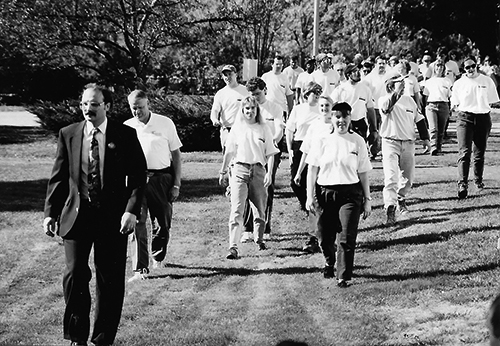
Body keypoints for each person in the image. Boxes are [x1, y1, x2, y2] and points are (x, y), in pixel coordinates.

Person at [43, 84, 147, 346]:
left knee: (109, 280)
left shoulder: (124, 135)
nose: (88, 109)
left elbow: (137, 177)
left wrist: (130, 211)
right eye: (84, 104)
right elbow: (58, 177)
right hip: (77, 217)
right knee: (75, 274)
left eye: (94, 104)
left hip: (113, 218)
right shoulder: (68, 134)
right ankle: (77, 336)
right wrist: (50, 213)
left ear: (107, 106)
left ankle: (102, 338)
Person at [305, 102, 372, 288]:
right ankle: (329, 261)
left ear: (350, 118)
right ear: (332, 118)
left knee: (346, 236)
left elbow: (364, 172)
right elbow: (312, 169)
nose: (341, 121)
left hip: (350, 194)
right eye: (337, 117)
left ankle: (343, 276)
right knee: (324, 235)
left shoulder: (357, 141)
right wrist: (310, 196)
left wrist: (367, 200)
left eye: (345, 116)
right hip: (325, 193)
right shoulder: (322, 140)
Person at [124, 90, 182, 282]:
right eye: (134, 108)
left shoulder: (165, 123)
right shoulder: (127, 127)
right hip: (137, 181)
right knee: (137, 223)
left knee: (162, 223)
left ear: (148, 104)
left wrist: (176, 184)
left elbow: (176, 155)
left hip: (162, 179)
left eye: (140, 107)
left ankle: (158, 256)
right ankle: (140, 268)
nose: (137, 112)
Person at [218, 96, 279, 259]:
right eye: (247, 108)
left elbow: (271, 153)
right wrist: (223, 171)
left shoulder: (264, 128)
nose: (250, 111)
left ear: (257, 110)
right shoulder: (237, 128)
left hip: (258, 171)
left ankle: (259, 240)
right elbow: (229, 151)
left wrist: (269, 174)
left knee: (259, 209)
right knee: (237, 209)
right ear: (243, 110)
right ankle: (233, 246)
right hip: (239, 170)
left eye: (253, 108)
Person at [378, 74, 430, 225]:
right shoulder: (384, 99)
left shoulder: (409, 100)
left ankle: (400, 198)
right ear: (390, 85)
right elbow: (387, 108)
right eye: (398, 82)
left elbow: (419, 119)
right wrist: (397, 92)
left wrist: (426, 139)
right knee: (391, 177)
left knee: (408, 179)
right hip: (390, 142)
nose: (402, 84)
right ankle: (390, 208)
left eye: (402, 82)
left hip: (408, 143)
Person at [240, 77, 285, 242]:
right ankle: (247, 228)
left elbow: (280, 130)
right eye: (252, 94)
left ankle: (265, 227)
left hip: (269, 152)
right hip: (250, 152)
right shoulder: (247, 108)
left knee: (267, 187)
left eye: (258, 94)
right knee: (246, 187)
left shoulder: (275, 108)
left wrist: (272, 143)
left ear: (265, 90)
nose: (255, 98)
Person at [451, 56, 500, 199]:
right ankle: (462, 184)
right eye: (467, 67)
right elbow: (455, 103)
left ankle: (478, 180)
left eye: (472, 66)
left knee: (479, 152)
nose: (470, 69)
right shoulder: (459, 83)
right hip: (465, 118)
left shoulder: (487, 81)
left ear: (476, 65)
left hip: (483, 117)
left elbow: (493, 101)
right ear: (463, 69)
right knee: (464, 152)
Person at [293, 95, 334, 253]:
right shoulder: (314, 126)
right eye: (322, 106)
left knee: (328, 206)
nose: (324, 109)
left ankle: (330, 239)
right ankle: (313, 239)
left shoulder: (335, 125)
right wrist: (299, 172)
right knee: (313, 203)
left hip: (330, 172)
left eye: (327, 106)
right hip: (314, 170)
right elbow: (306, 151)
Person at [286, 82, 322, 212]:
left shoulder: (321, 109)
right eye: (315, 93)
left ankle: (317, 207)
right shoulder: (298, 109)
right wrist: (290, 149)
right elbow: (289, 130)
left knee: (314, 179)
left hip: (316, 146)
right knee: (295, 181)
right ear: (307, 94)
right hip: (299, 145)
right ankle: (305, 204)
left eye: (319, 93)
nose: (317, 95)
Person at [330, 63, 378, 143]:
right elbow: (331, 107)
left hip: (360, 124)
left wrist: (373, 129)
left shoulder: (365, 89)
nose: (358, 73)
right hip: (345, 123)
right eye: (355, 71)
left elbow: (370, 110)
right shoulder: (340, 89)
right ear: (348, 75)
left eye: (359, 70)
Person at [210, 64, 248, 149]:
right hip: (227, 131)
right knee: (228, 159)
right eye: (225, 75)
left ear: (236, 74)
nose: (227, 77)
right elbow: (215, 110)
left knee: (242, 159)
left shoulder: (245, 91)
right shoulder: (220, 93)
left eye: (230, 74)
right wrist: (215, 119)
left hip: (243, 130)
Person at [422, 61, 453, 155]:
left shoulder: (447, 81)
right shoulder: (429, 81)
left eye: (441, 66)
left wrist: (450, 108)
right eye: (437, 66)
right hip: (431, 105)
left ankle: (439, 147)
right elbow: (425, 95)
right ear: (434, 68)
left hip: (443, 105)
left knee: (441, 129)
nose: (439, 68)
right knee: (433, 128)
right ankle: (433, 147)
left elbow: (450, 95)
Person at [261, 55, 295, 120]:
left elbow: (289, 95)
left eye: (281, 64)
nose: (279, 66)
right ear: (272, 64)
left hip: (281, 111)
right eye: (277, 64)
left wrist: (290, 112)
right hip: (268, 111)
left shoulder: (285, 77)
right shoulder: (265, 77)